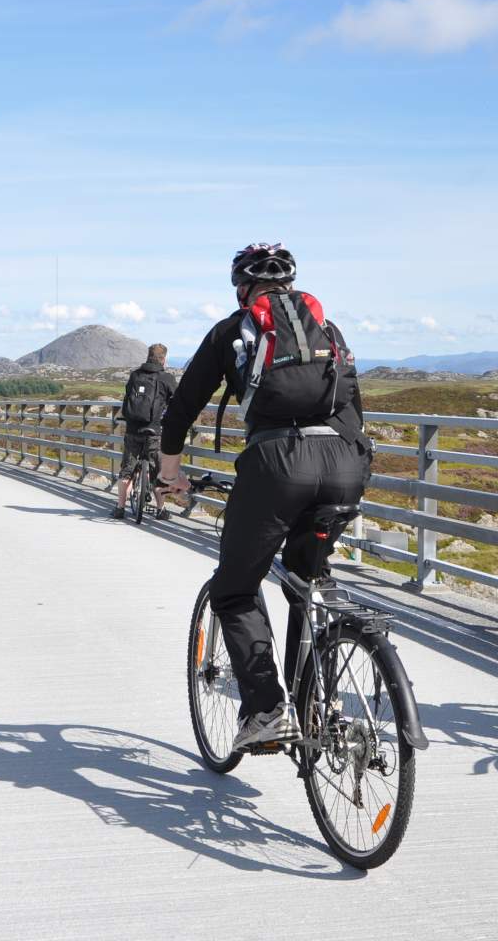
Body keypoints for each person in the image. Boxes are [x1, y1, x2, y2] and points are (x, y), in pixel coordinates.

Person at [158, 243, 372, 753]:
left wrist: (171, 472)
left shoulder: (233, 331)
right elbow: (356, 406)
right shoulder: (329, 331)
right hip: (345, 464)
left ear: (241, 288)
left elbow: (184, 405)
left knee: (234, 588)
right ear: (291, 286)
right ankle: (317, 705)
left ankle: (267, 710)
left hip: (277, 467)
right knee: (304, 578)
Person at [112, 343, 178, 519]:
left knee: (127, 470)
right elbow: (177, 402)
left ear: (148, 356)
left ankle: (119, 508)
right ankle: (161, 510)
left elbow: (127, 399)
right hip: (154, 431)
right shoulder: (166, 378)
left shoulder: (135, 375)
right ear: (163, 358)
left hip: (133, 429)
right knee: (158, 472)